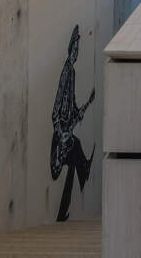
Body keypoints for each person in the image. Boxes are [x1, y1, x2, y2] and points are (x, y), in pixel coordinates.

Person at [50, 25, 95, 222]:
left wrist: (83, 108)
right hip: (60, 137)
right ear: (70, 49)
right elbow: (57, 105)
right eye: (75, 49)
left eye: (78, 49)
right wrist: (60, 132)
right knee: (75, 148)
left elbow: (72, 104)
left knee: (73, 162)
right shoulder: (67, 71)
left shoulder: (73, 72)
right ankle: (84, 169)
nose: (76, 52)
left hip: (65, 133)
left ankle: (62, 212)